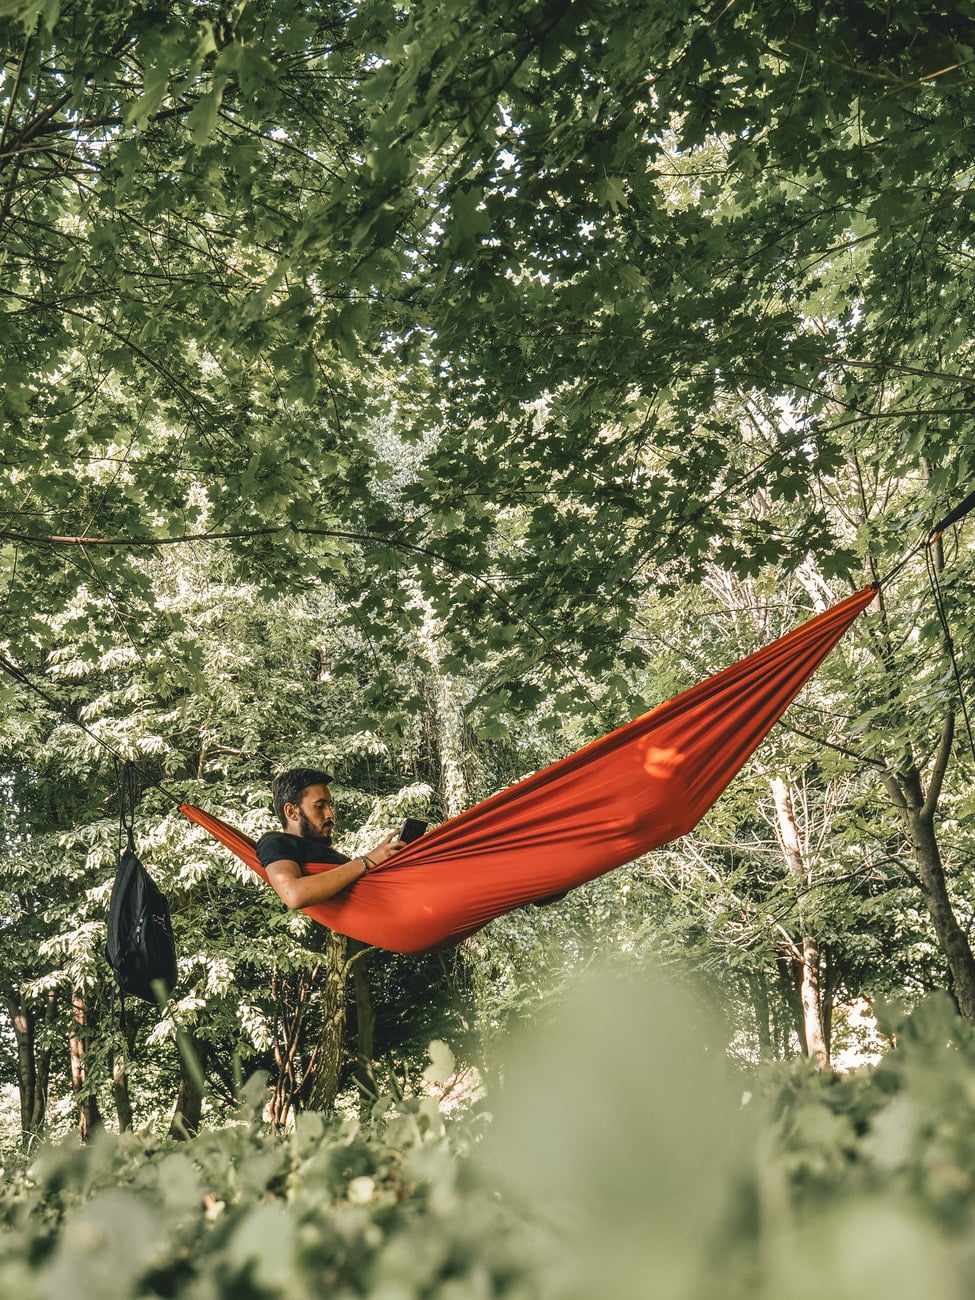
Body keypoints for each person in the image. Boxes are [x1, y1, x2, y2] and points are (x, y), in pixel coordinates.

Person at [256, 767, 403, 910]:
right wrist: (367, 861)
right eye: (319, 806)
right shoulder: (275, 842)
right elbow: (294, 895)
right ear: (292, 812)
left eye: (329, 805)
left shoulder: (326, 855)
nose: (330, 814)